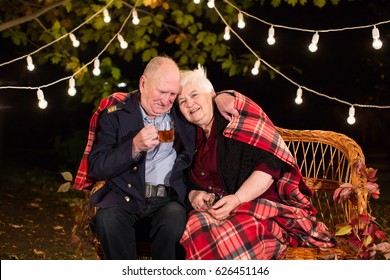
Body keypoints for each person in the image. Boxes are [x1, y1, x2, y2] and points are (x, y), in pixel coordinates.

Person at [74, 56, 237, 260]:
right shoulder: (115, 115)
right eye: (161, 92)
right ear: (143, 83)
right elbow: (97, 167)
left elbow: (203, 100)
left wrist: (222, 97)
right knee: (108, 219)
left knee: (174, 220)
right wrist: (133, 147)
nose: (166, 100)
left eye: (172, 94)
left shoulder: (182, 115)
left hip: (167, 201)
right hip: (125, 197)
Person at [177, 65, 337, 260]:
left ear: (211, 94)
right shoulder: (190, 137)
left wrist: (237, 199)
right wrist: (194, 194)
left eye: (194, 95)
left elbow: (269, 167)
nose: (189, 104)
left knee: (233, 238)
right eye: (182, 101)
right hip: (215, 214)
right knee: (195, 225)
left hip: (256, 210)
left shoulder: (236, 120)